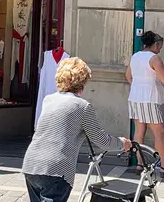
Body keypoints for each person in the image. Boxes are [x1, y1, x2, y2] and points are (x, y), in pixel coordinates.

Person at [23, 58, 132, 202]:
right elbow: (101, 140)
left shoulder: (48, 100)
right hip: (56, 169)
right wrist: (122, 143)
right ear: (83, 81)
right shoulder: (82, 106)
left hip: (32, 164)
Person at [125, 31, 164, 179]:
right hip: (150, 98)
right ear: (156, 44)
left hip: (135, 97)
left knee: (139, 131)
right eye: (160, 45)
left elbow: (128, 76)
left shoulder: (135, 56)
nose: (160, 48)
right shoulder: (154, 58)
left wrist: (138, 86)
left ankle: (140, 163)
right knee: (159, 133)